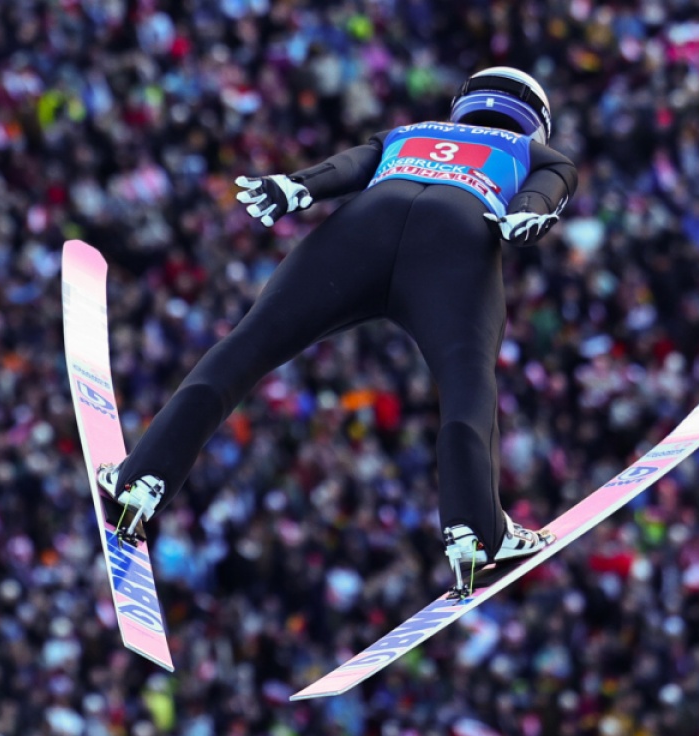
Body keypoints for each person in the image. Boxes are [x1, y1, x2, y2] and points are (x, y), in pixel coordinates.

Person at [97, 67, 578, 596]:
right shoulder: (534, 152)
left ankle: (143, 478)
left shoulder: (409, 131)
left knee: (248, 345)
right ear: (536, 121)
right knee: (467, 385)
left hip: (363, 227)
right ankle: (475, 532)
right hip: (457, 237)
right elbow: (547, 189)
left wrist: (295, 186)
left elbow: (346, 166)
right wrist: (528, 213)